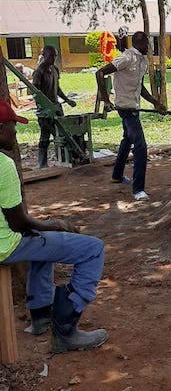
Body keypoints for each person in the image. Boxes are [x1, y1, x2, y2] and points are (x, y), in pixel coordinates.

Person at [0, 100, 107, 353]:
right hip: (5, 245)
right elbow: (18, 223)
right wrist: (54, 224)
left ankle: (41, 317)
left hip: (7, 238)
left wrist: (43, 229)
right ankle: (66, 329)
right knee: (93, 249)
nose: (15, 134)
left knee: (43, 244)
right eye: (12, 127)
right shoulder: (3, 165)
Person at [96, 31, 165, 201]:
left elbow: (139, 87)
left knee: (127, 140)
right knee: (140, 146)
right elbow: (99, 73)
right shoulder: (125, 58)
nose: (148, 47)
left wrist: (155, 102)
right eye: (146, 44)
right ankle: (138, 190)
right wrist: (105, 99)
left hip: (133, 106)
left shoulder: (143, 61)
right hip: (125, 108)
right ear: (138, 43)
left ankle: (117, 175)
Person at [32, 45, 77, 168]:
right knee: (45, 136)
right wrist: (44, 107)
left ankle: (63, 160)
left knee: (62, 135)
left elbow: (57, 89)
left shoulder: (55, 69)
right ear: (44, 56)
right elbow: (36, 93)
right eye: (51, 56)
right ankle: (42, 163)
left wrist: (67, 100)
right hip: (45, 111)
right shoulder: (38, 72)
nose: (53, 58)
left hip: (56, 107)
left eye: (55, 56)